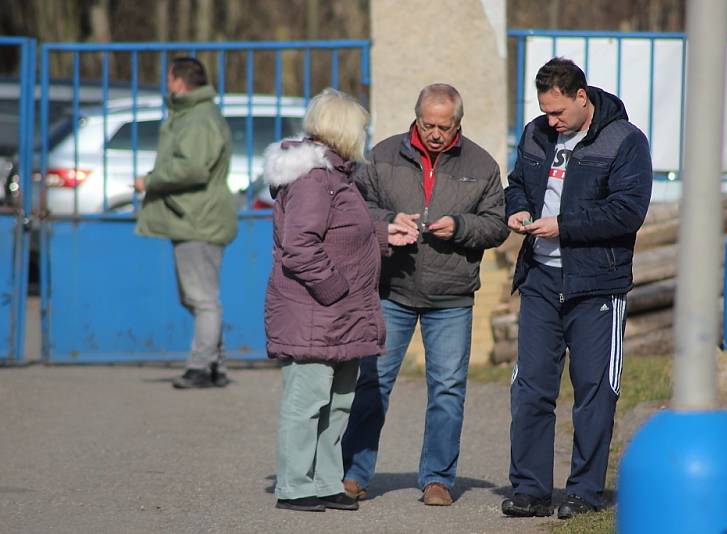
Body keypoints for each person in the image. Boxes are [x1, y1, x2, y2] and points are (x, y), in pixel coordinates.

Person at [341, 83, 509, 506]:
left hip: (451, 295)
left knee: (448, 389)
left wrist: (461, 226)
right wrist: (388, 220)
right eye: (427, 124)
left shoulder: (482, 164)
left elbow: (497, 223)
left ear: (459, 123)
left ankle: (437, 478)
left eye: (444, 126)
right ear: (416, 118)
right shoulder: (382, 155)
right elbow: (356, 208)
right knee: (372, 384)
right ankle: (354, 472)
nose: (434, 133)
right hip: (391, 289)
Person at [501, 58, 652, 519]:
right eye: (545, 111)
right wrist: (519, 209)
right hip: (541, 281)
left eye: (558, 112)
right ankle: (529, 488)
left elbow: (627, 212)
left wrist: (563, 226)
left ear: (581, 97)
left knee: (594, 391)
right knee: (530, 389)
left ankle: (584, 491)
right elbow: (517, 184)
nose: (551, 121)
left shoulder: (625, 141)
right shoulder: (535, 133)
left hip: (595, 285)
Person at [264, 88, 417, 513]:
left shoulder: (336, 176)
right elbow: (301, 247)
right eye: (362, 128)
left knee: (338, 402)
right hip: (316, 312)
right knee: (307, 401)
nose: (366, 135)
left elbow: (345, 231)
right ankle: (295, 485)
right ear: (345, 130)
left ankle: (326, 479)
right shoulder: (313, 179)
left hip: (342, 315)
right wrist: (336, 291)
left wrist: (386, 235)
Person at [134, 57, 237, 389]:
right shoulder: (195, 115)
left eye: (168, 78)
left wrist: (150, 180)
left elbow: (192, 168)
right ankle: (213, 365)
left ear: (179, 81)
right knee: (199, 297)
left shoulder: (197, 118)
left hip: (197, 217)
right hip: (195, 216)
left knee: (201, 298)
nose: (166, 84)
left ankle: (200, 368)